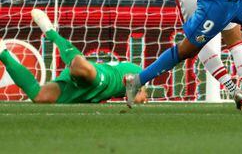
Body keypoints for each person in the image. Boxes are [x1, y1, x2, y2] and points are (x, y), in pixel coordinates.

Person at [0, 9, 147, 104]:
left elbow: (139, 95)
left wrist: (137, 97)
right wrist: (136, 94)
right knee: (80, 67)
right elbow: (132, 82)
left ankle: (2, 53)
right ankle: (51, 33)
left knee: (39, 97)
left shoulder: (139, 79)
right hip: (101, 79)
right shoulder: (135, 71)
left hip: (84, 95)